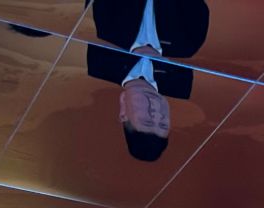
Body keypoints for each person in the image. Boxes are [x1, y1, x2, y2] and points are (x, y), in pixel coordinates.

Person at [86, 0, 211, 163]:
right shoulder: (186, 47)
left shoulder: (99, 60)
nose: (156, 112)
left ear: (123, 112)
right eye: (163, 124)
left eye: (147, 120)